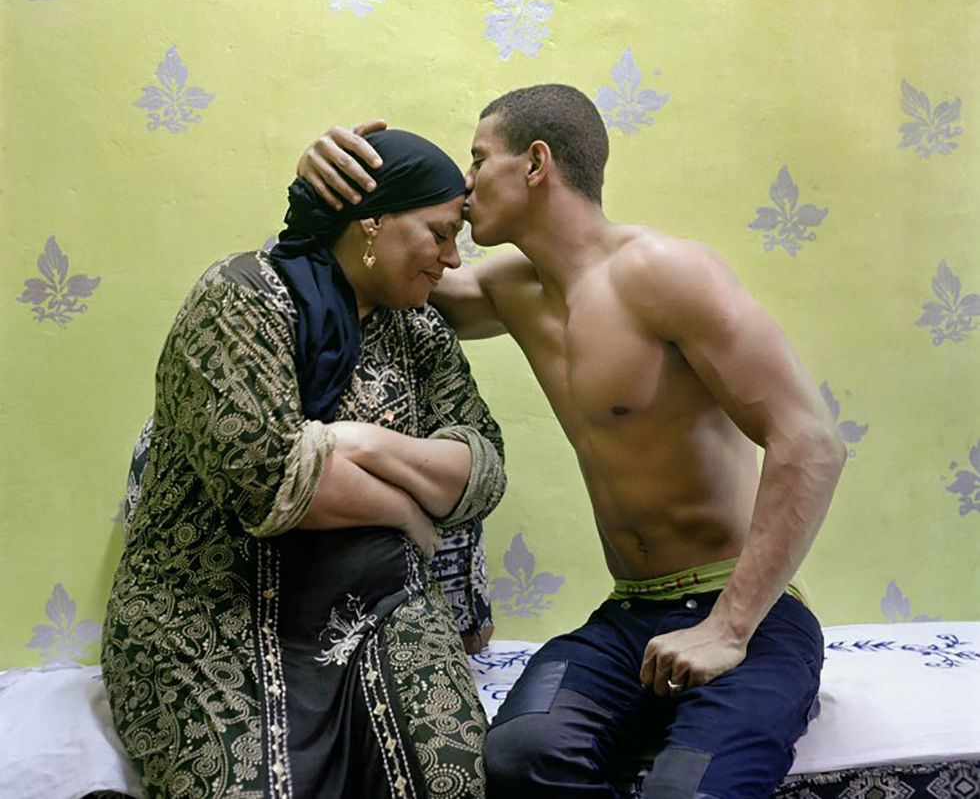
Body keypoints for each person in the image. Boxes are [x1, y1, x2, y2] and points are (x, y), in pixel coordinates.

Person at [296, 84, 847, 799]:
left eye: (478, 159)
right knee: (519, 756)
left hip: (748, 616)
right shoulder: (511, 291)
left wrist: (728, 628)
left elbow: (811, 441)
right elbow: (383, 269)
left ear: (535, 163)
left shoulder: (665, 272)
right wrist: (324, 189)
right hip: (627, 616)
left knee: (687, 791)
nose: (465, 182)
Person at [102, 129, 506, 799]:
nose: (453, 259)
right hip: (211, 613)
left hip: (382, 606)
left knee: (449, 781)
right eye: (439, 234)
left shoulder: (421, 331)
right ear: (371, 224)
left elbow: (481, 470)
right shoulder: (243, 297)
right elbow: (268, 481)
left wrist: (362, 443)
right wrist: (406, 509)